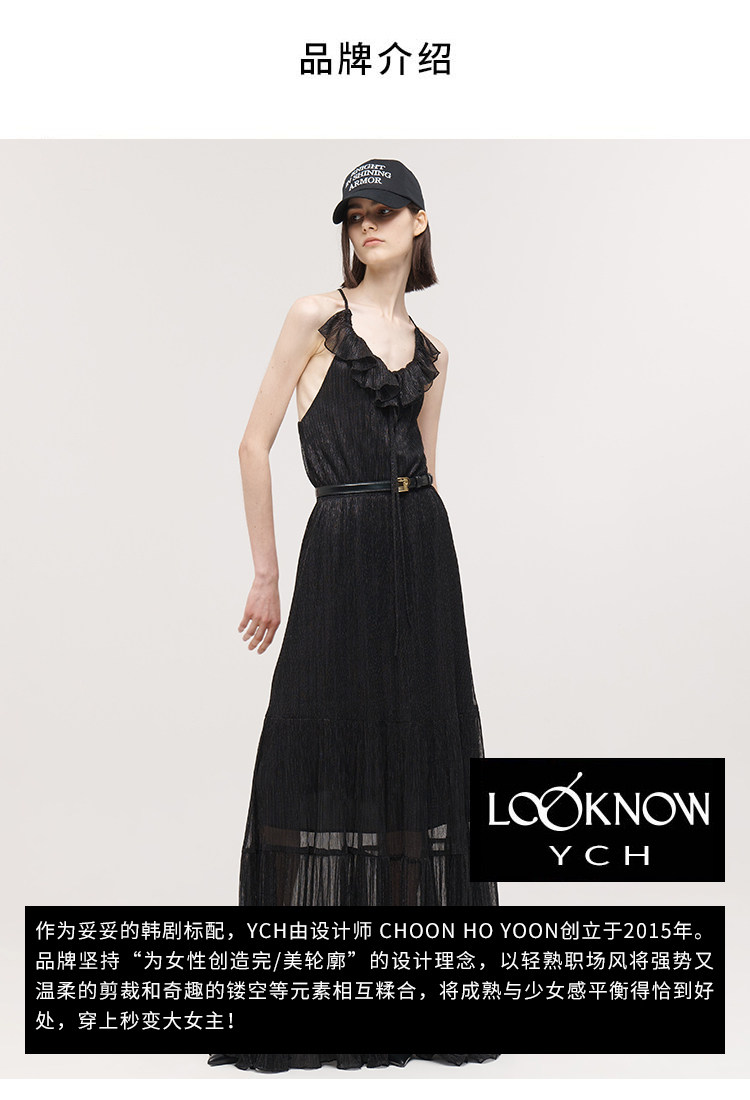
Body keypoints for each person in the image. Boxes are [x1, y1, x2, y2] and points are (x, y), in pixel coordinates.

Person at [207, 159, 499, 1073]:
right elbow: (252, 446)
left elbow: (428, 470)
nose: (367, 226)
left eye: (384, 212)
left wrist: (427, 570)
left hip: (423, 558)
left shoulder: (436, 353)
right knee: (317, 751)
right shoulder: (313, 317)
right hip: (340, 546)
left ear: (419, 222)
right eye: (355, 214)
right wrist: (266, 572)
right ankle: (300, 992)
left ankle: (409, 990)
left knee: (418, 750)